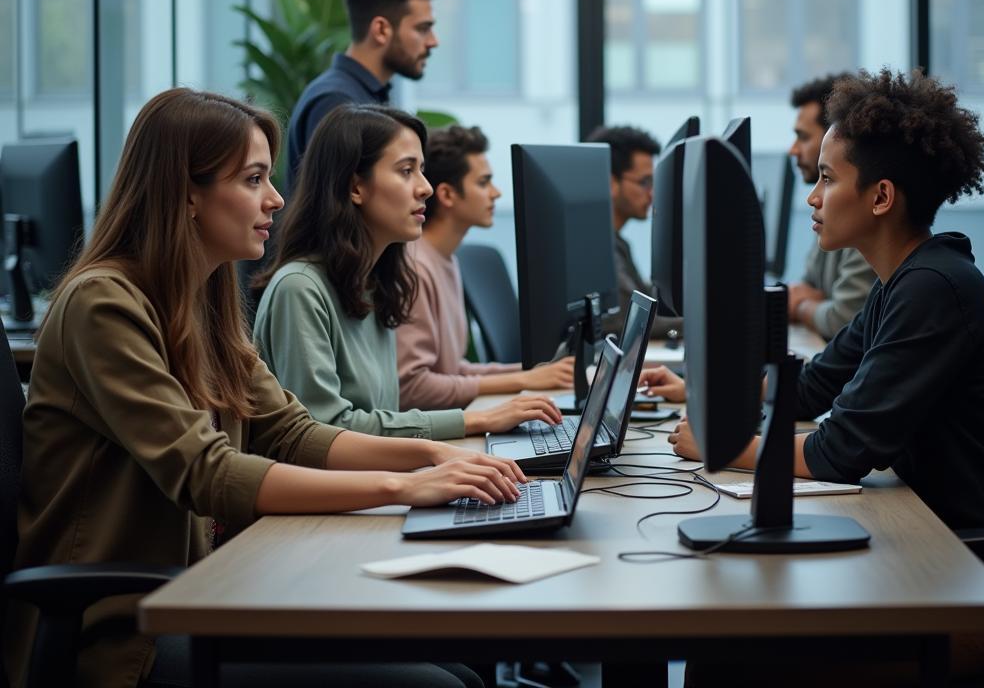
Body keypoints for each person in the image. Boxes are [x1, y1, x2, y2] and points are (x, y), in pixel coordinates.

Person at [4, 88, 522, 688]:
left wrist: (437, 456)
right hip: (122, 629)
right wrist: (406, 484)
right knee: (438, 685)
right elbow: (208, 472)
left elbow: (292, 432)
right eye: (253, 180)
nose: (276, 199)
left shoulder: (206, 298)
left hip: (206, 588)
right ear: (187, 193)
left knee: (458, 670)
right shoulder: (103, 304)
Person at [641, 68, 984, 533]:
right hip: (923, 519)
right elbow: (810, 389)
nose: (813, 198)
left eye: (827, 179)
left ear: (881, 197)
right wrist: (707, 392)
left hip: (970, 546)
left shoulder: (933, 290)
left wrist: (723, 445)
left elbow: (838, 453)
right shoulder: (899, 282)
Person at [254, 106, 564, 439]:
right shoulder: (300, 289)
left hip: (379, 475)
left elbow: (383, 413)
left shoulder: (374, 283)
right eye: (406, 171)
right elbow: (326, 432)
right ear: (355, 187)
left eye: (422, 170)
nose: (426, 188)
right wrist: (477, 420)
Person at [396, 124, 575, 410]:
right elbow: (414, 388)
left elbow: (453, 369)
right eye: (483, 183)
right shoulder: (415, 267)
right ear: (447, 195)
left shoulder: (447, 259)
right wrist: (524, 380)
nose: (496, 193)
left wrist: (534, 373)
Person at [286, 0, 440, 191]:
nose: (433, 41)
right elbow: (333, 213)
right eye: (422, 29)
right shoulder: (336, 102)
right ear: (381, 30)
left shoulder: (359, 97)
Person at [787, 74, 874, 339]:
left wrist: (800, 305)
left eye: (802, 137)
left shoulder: (862, 225)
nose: (792, 150)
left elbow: (843, 320)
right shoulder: (834, 220)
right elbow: (810, 285)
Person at [584, 125, 683, 340]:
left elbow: (644, 296)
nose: (652, 193)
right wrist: (708, 321)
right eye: (644, 182)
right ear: (610, 182)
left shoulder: (615, 241)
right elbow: (634, 319)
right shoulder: (595, 247)